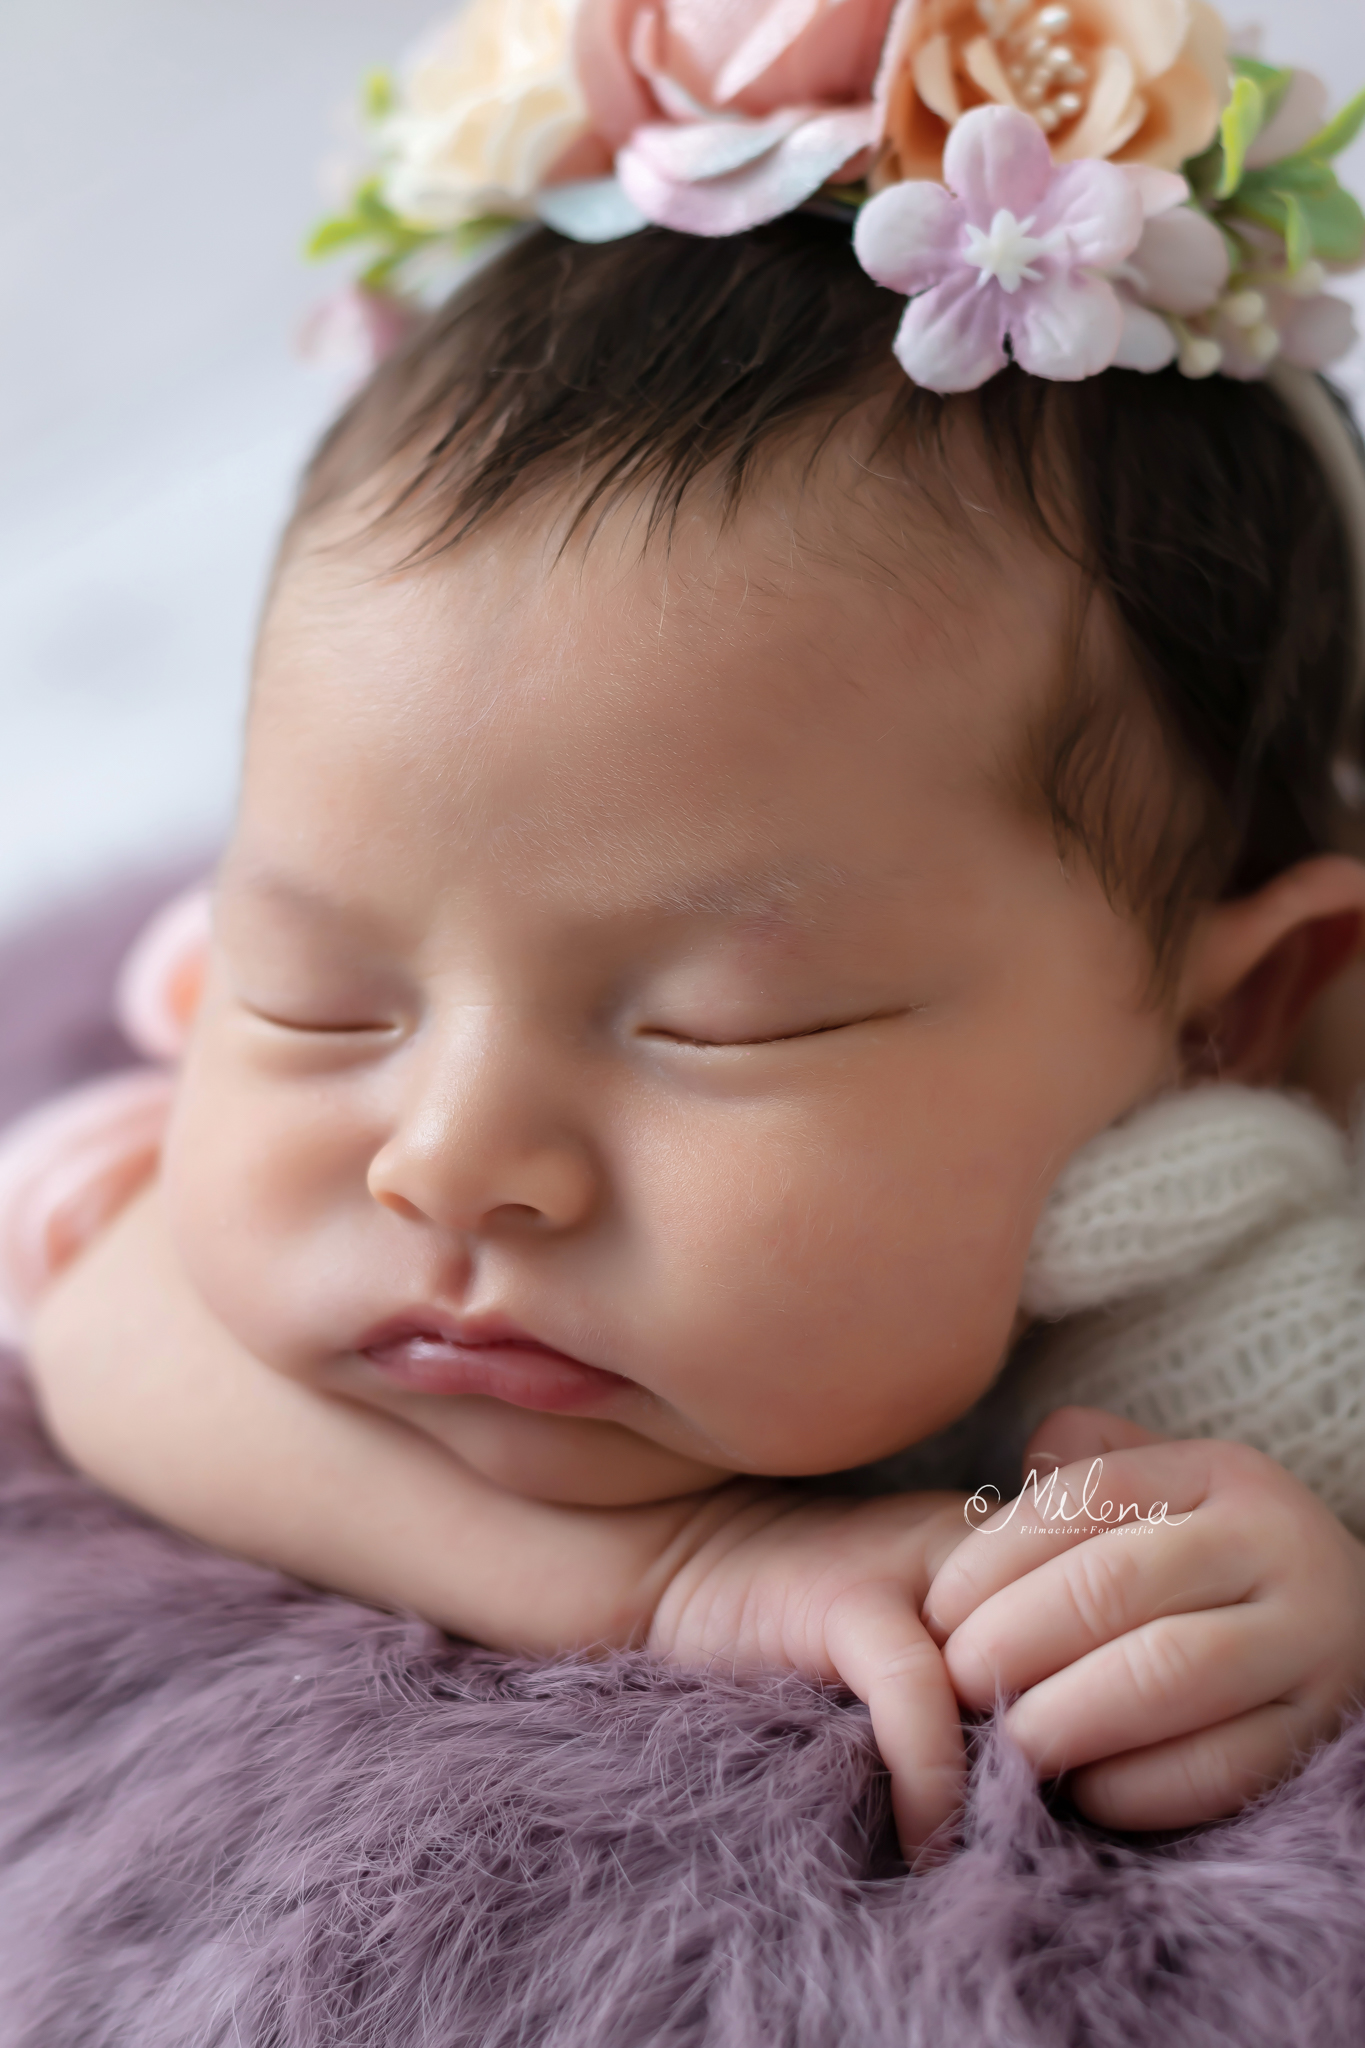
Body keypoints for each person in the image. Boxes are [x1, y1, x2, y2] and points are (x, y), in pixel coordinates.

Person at [10, 4, 1365, 1862]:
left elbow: (1218, 1525)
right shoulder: (240, 1130)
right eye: (324, 1001)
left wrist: (1248, 1591)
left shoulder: (1246, 1278)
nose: (453, 1161)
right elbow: (105, 1323)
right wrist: (679, 1569)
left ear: (1230, 1020)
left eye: (717, 1028)